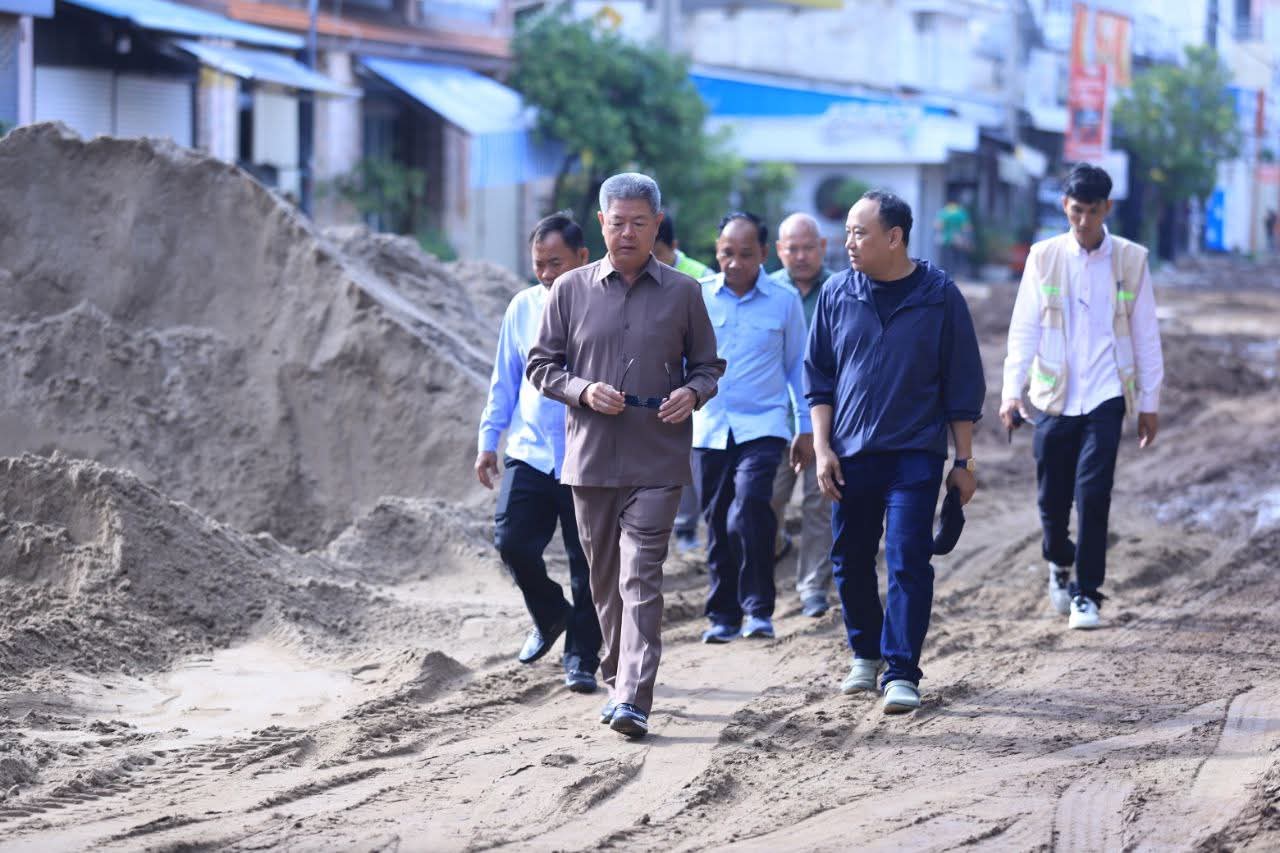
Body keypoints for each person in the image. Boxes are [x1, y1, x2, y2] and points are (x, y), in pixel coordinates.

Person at [527, 173, 725, 738]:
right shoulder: (570, 290)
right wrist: (583, 390)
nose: (628, 233)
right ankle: (617, 678)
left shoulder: (684, 293)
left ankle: (635, 697)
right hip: (590, 458)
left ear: (657, 225)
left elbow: (708, 366)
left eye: (640, 222)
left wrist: (693, 393)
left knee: (641, 575)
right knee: (604, 580)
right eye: (618, 222)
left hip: (658, 455)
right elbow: (541, 366)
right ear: (602, 223)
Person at [807, 190, 985, 714]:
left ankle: (902, 671)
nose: (848, 242)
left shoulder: (939, 295)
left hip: (915, 454)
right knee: (850, 558)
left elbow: (962, 383)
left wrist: (964, 462)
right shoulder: (837, 292)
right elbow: (819, 378)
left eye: (859, 233)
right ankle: (865, 654)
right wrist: (822, 448)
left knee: (908, 559)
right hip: (850, 453)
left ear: (894, 237)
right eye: (847, 232)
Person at [1001, 164, 1163, 631]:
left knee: (1093, 495)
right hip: (1054, 395)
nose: (1084, 221)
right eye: (1076, 211)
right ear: (1065, 207)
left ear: (1107, 208)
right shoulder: (1044, 257)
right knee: (1051, 501)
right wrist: (1012, 392)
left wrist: (1149, 402)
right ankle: (1058, 558)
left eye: (1093, 212)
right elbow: (1024, 328)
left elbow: (1146, 334)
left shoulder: (1131, 260)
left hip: (1106, 393)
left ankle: (1086, 593)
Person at [475, 212, 603, 693]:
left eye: (556, 263)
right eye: (539, 264)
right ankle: (550, 614)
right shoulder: (522, 307)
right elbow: (504, 379)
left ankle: (582, 658)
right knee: (512, 541)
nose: (546, 274)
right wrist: (489, 440)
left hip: (586, 453)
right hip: (529, 451)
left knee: (586, 562)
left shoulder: (604, 306)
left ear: (582, 258)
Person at [694, 212, 812, 644]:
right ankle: (723, 616)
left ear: (763, 254)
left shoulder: (784, 301)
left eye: (746, 254)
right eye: (727, 253)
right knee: (716, 521)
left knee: (747, 511)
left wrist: (805, 427)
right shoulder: (699, 297)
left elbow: (798, 368)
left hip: (763, 427)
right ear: (717, 251)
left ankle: (758, 610)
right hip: (709, 428)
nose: (735, 262)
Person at [770, 212, 836, 617]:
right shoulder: (768, 291)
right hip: (776, 419)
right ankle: (777, 546)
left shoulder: (841, 289)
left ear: (822, 247)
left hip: (828, 420)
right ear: (779, 250)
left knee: (819, 504)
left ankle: (813, 586)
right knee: (767, 499)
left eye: (808, 247)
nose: (800, 255)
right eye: (792, 248)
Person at [654, 212, 713, 280]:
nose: (651, 260)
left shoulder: (704, 276)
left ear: (673, 245)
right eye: (647, 254)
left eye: (657, 254)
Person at [934, 198, 974, 279]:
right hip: (958, 240)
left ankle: (944, 276)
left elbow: (938, 226)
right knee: (958, 259)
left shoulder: (943, 212)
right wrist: (967, 239)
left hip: (945, 240)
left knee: (945, 260)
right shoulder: (961, 213)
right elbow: (967, 228)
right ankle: (958, 276)